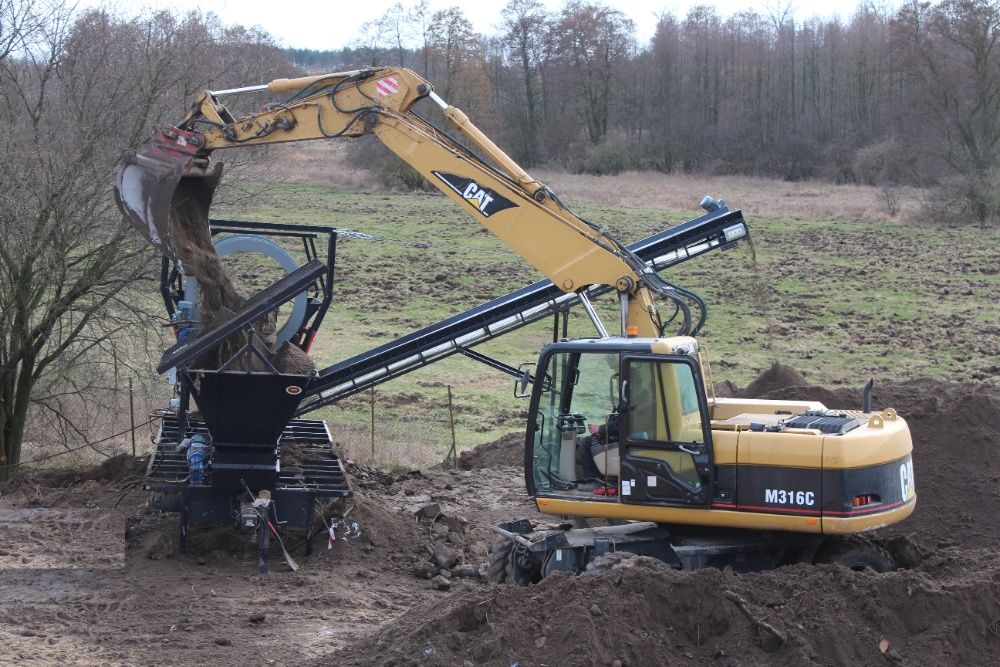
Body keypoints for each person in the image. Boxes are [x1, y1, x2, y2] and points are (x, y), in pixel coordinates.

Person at [578, 412, 619, 481]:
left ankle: (593, 480)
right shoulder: (623, 406)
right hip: (617, 438)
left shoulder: (629, 405)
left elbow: (621, 425)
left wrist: (600, 429)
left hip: (619, 441)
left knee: (586, 442)